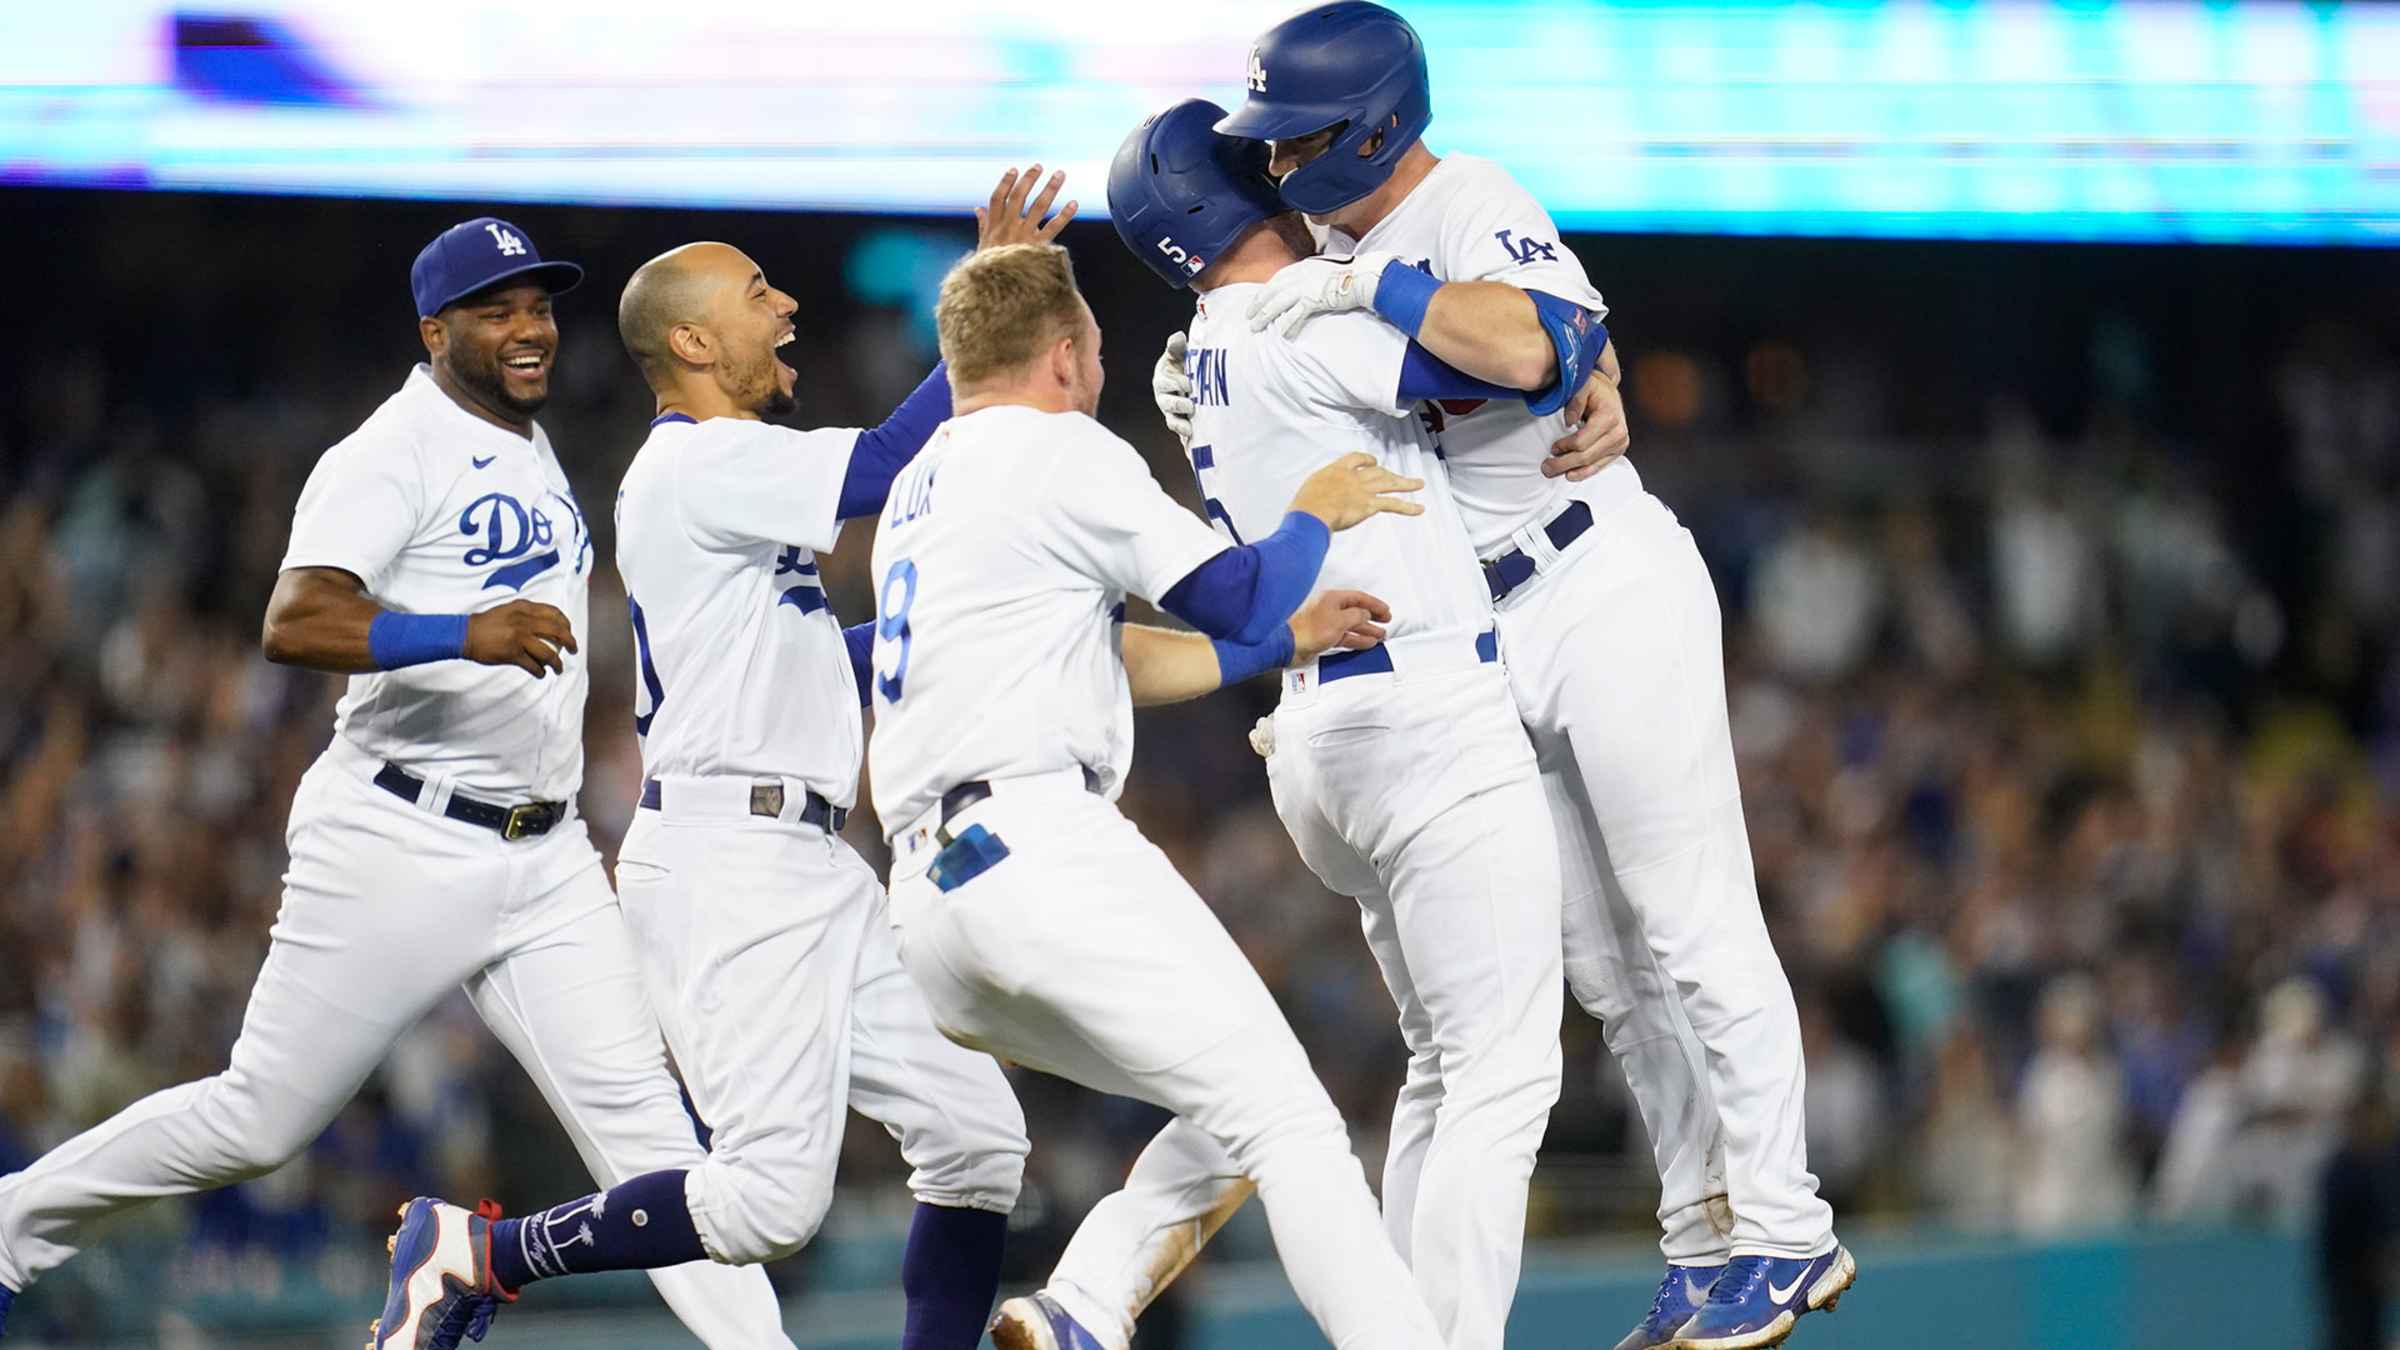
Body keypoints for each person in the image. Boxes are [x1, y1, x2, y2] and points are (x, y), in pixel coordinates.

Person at [1152, 6, 1855, 1347]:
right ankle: (1703, 1236)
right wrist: (1205, 374)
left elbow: (1544, 346)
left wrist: (1380, 291)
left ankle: (1788, 1225)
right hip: (1486, 630)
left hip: (1596, 576)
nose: (1278, 170)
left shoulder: (1467, 199)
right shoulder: (1316, 262)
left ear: (1373, 125)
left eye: (1295, 143)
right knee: (1608, 962)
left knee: (1691, 918)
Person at [0, 218, 795, 1349]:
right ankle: (10, 1229)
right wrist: (461, 631)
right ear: (435, 331)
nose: (528, 328)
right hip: (399, 832)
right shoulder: (392, 449)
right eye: (495, 310)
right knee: (258, 1120)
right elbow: (296, 617)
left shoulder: (527, 441)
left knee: (655, 1144)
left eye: (538, 305)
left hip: (545, 855)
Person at [372, 171, 1074, 1350]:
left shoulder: (728, 486)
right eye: (759, 292)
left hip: (800, 855)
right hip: (728, 865)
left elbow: (809, 660)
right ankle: (478, 1255)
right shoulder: (699, 462)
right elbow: (882, 468)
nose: (788, 303)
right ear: (693, 340)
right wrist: (987, 292)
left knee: (978, 1140)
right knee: (767, 1205)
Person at [991, 99, 1565, 1350]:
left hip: (1326, 735)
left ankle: (1403, 1321)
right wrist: (1396, 285)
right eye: (1273, 158)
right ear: (1233, 192)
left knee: (1443, 1066)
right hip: (1419, 709)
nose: (1294, 168)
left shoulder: (1195, 347)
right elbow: (1535, 357)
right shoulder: (1304, 321)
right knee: (1503, 1073)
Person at [870, 240, 1444, 1350]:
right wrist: (1312, 514)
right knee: (1289, 1121)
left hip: (935, 909)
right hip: (1038, 844)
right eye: (1090, 346)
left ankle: (1083, 1307)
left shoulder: (922, 486)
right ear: (1067, 355)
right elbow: (1232, 591)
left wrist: (1282, 641)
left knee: (1234, 1101)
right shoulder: (1058, 451)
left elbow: (1113, 651)